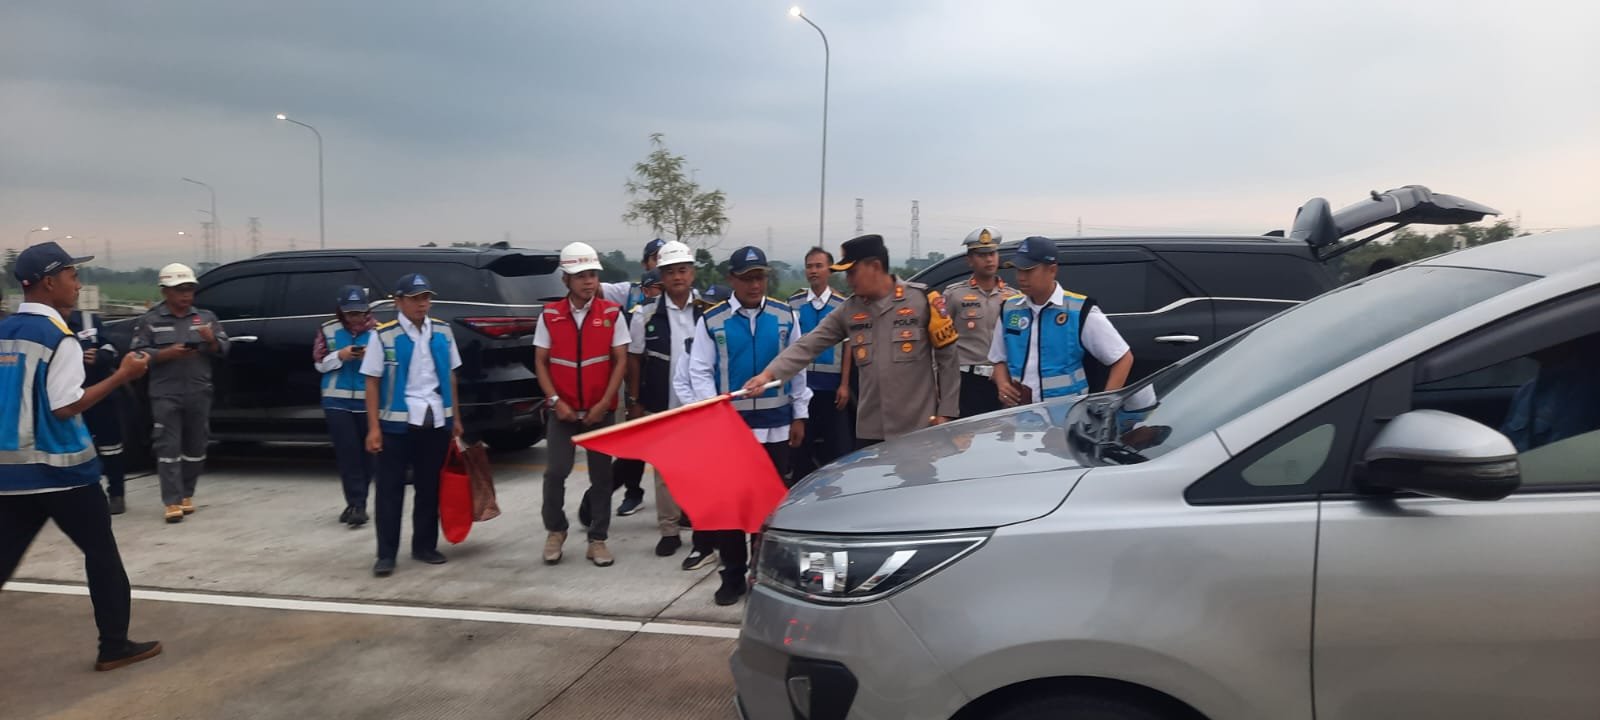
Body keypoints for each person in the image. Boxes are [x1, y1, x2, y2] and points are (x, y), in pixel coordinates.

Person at [0, 242, 162, 672]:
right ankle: (114, 645)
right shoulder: (59, 338)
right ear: (50, 283)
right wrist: (123, 375)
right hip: (64, 472)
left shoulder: (4, 331)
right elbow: (66, 405)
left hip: (10, 473)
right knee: (102, 554)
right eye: (72, 275)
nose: (78, 283)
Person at [676, 245, 810, 605]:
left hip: (777, 425)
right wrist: (715, 411)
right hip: (732, 430)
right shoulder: (713, 319)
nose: (755, 285)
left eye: (761, 277)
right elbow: (699, 371)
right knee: (732, 506)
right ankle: (732, 574)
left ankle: (761, 574)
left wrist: (800, 413)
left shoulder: (785, 316)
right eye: (748, 278)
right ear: (731, 279)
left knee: (768, 506)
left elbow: (797, 367)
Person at [745, 234, 959, 449]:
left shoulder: (922, 300)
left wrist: (946, 414)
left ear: (875, 266)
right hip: (870, 431)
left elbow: (948, 361)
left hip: (918, 428)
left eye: (852, 272)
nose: (848, 280)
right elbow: (808, 345)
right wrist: (768, 375)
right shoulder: (850, 309)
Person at [533, 242, 630, 568]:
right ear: (566, 280)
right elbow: (541, 362)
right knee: (555, 472)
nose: (588, 281)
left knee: (601, 477)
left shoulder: (611, 314)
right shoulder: (549, 316)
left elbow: (620, 362)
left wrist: (604, 403)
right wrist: (555, 400)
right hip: (562, 411)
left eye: (592, 274)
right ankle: (555, 531)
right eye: (580, 276)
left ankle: (597, 539)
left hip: (598, 412)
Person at [361, 273, 463, 577]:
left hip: (435, 419)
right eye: (416, 298)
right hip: (396, 424)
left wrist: (455, 418)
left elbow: (452, 376)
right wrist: (374, 428)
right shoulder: (383, 335)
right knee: (390, 491)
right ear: (399, 301)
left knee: (429, 487)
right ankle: (386, 554)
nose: (423, 304)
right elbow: (372, 382)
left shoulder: (442, 331)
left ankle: (424, 546)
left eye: (426, 298)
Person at [624, 241, 712, 564]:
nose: (678, 277)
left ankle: (700, 525)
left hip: (700, 403)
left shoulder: (709, 310)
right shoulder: (645, 314)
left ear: (692, 273)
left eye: (683, 270)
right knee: (664, 471)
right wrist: (634, 399)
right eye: (671, 271)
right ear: (661, 275)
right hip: (662, 401)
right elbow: (634, 359)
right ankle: (669, 530)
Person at [130, 263, 230, 523]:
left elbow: (224, 348)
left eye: (189, 290)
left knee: (196, 446)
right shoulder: (150, 320)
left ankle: (187, 493)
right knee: (168, 447)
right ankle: (172, 501)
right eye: (179, 290)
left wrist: (210, 340)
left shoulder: (206, 317)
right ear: (165, 292)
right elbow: (137, 354)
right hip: (165, 393)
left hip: (199, 390)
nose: (186, 295)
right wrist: (165, 354)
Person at [990, 237, 1136, 406]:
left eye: (1028, 271)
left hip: (1066, 416)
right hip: (1018, 415)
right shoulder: (1009, 309)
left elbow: (1123, 358)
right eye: (1018, 270)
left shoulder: (1079, 310)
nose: (1021, 277)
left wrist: (1105, 405)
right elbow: (998, 358)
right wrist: (1003, 385)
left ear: (1052, 270)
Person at [314, 285, 378, 527]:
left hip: (367, 401)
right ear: (341, 311)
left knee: (368, 455)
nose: (356, 318)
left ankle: (357, 501)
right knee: (348, 454)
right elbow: (319, 364)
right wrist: (339, 356)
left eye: (360, 312)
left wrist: (368, 357)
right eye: (350, 313)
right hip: (336, 401)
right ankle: (357, 504)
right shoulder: (327, 329)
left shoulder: (379, 333)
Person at [787, 246, 852, 481]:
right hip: (801, 388)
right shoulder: (793, 303)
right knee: (800, 447)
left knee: (835, 447)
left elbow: (848, 346)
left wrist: (844, 383)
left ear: (830, 271)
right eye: (809, 266)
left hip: (830, 387)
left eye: (819, 266)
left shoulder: (842, 305)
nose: (813, 271)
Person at [945, 227, 1020, 418]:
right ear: (969, 260)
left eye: (993, 253)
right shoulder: (954, 295)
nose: (989, 259)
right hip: (966, 382)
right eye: (981, 254)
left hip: (1004, 382)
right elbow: (940, 344)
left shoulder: (1013, 298)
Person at [68, 305, 129, 515]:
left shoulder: (88, 320)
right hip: (67, 399)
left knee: (111, 448)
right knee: (75, 450)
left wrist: (102, 356)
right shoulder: (48, 324)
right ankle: (79, 497)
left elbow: (112, 347)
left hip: (100, 396)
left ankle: (117, 494)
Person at [600, 237, 666, 313]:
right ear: (645, 264)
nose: (661, 263)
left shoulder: (680, 292)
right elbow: (595, 289)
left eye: (666, 258)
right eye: (656, 259)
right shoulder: (630, 292)